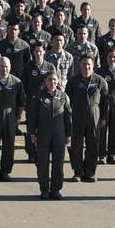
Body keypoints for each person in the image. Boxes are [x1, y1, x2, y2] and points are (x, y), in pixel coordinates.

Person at [27, 71, 72, 200]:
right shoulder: (38, 97)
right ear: (45, 81)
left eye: (54, 80)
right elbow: (32, 117)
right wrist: (32, 133)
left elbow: (68, 117)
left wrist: (68, 134)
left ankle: (56, 190)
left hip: (59, 132)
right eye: (50, 80)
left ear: (57, 81)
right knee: (43, 162)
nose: (52, 82)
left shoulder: (63, 97)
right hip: (43, 133)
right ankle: (44, 190)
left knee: (58, 162)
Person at [64, 54, 108, 183]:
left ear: (93, 65)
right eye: (84, 64)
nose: (86, 67)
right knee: (76, 146)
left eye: (89, 64)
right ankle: (78, 172)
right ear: (79, 65)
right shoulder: (73, 81)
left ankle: (90, 172)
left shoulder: (100, 81)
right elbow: (67, 102)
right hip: (77, 117)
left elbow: (106, 101)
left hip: (94, 118)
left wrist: (103, 118)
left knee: (93, 146)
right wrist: (68, 119)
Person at [0, 57, 26, 182]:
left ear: (10, 67)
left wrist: (18, 117)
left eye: (6, 66)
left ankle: (6, 171)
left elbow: (21, 101)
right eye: (2, 66)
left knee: (9, 145)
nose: (4, 69)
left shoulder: (16, 82)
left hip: (10, 118)